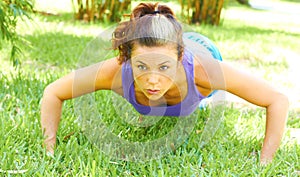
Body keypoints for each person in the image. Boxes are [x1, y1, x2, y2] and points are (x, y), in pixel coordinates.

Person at [41, 2, 289, 165]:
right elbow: (53, 92)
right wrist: (49, 149)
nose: (152, 79)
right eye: (141, 67)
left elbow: (277, 100)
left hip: (200, 46)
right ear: (128, 58)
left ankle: (197, 100)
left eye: (163, 67)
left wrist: (264, 163)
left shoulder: (204, 71)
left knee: (199, 100)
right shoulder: (116, 72)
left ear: (180, 58)